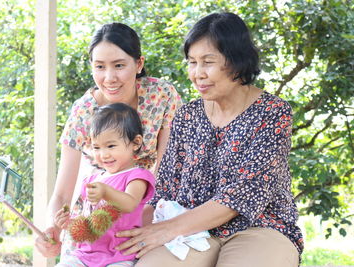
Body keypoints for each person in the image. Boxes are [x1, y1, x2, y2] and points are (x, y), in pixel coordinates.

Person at [115, 12, 304, 267]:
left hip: (259, 227)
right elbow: (165, 190)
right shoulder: (187, 115)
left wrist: (169, 229)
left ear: (237, 60)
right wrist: (110, 229)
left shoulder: (272, 112)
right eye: (192, 62)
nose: (197, 73)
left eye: (208, 62)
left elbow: (244, 193)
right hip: (189, 230)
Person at [35, 22, 182, 258]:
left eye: (119, 65)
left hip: (146, 212)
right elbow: (62, 193)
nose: (109, 77)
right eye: (100, 67)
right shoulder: (83, 111)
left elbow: (166, 171)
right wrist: (51, 226)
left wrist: (146, 221)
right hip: (94, 223)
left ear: (139, 64)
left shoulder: (162, 96)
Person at [54, 103, 155, 267]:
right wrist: (70, 223)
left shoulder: (137, 176)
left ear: (136, 143)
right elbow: (91, 223)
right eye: (96, 147)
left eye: (111, 146)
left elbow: (130, 203)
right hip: (85, 255)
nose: (103, 154)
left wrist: (106, 191)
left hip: (120, 255)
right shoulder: (92, 180)